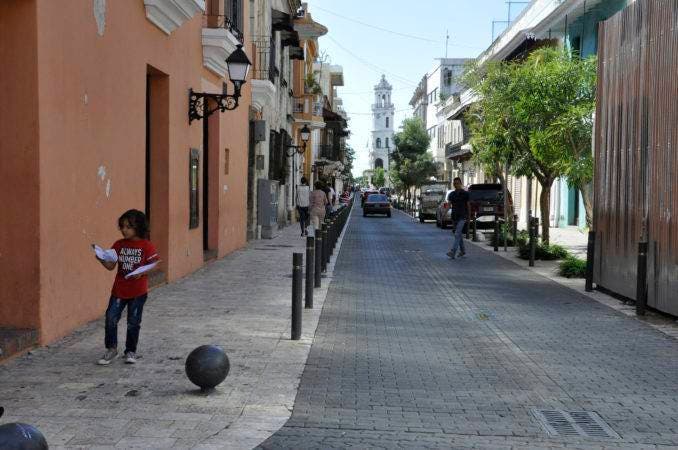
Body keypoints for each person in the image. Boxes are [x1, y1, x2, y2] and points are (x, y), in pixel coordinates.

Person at [95, 209, 159, 365]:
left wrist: (142, 273)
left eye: (128, 227)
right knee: (111, 318)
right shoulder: (118, 245)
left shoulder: (146, 246)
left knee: (133, 322)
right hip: (119, 290)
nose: (124, 230)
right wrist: (101, 258)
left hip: (138, 292)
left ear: (138, 227)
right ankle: (111, 349)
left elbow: (154, 265)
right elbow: (111, 266)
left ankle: (130, 351)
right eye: (122, 226)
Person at [447, 177, 470, 259]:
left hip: (463, 216)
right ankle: (463, 251)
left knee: (457, 233)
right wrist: (444, 213)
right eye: (455, 183)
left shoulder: (465, 194)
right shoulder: (452, 194)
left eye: (457, 183)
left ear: (460, 183)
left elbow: (468, 205)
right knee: (458, 234)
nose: (456, 185)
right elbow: (449, 205)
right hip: (454, 217)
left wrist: (469, 216)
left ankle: (453, 251)